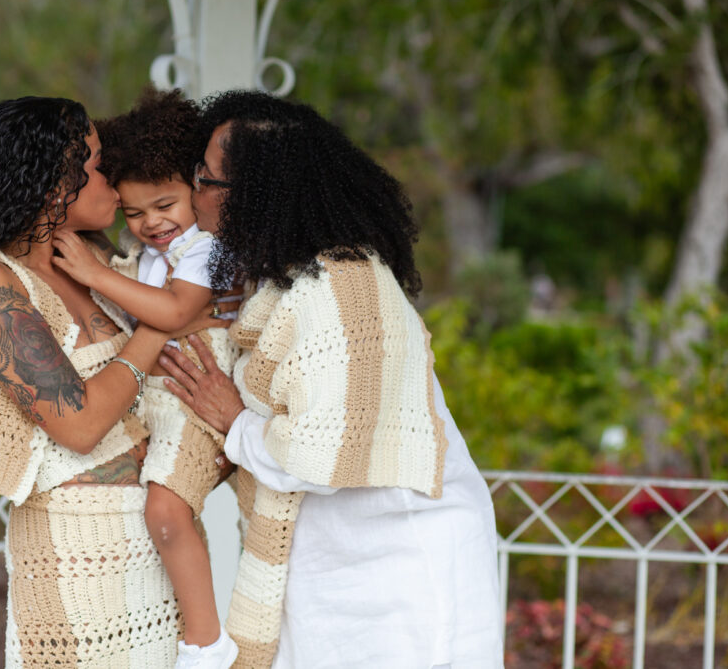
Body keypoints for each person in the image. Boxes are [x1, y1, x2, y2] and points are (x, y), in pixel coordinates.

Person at [0, 96, 231, 668]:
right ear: (51, 182)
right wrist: (159, 323)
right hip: (77, 561)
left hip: (160, 548)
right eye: (95, 164)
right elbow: (83, 423)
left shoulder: (94, 264)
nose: (111, 179)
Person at [158, 90, 504, 669]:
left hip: (402, 577)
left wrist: (234, 421)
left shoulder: (342, 289)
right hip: (340, 570)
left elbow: (317, 453)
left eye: (204, 177)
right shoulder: (290, 283)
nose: (193, 190)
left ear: (253, 195)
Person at [55, 88, 240, 669]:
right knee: (160, 511)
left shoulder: (206, 248)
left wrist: (92, 272)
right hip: (161, 394)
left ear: (194, 188)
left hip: (193, 392)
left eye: (164, 204)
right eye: (134, 213)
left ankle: (208, 644)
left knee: (165, 511)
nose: (151, 223)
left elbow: (174, 313)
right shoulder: (152, 254)